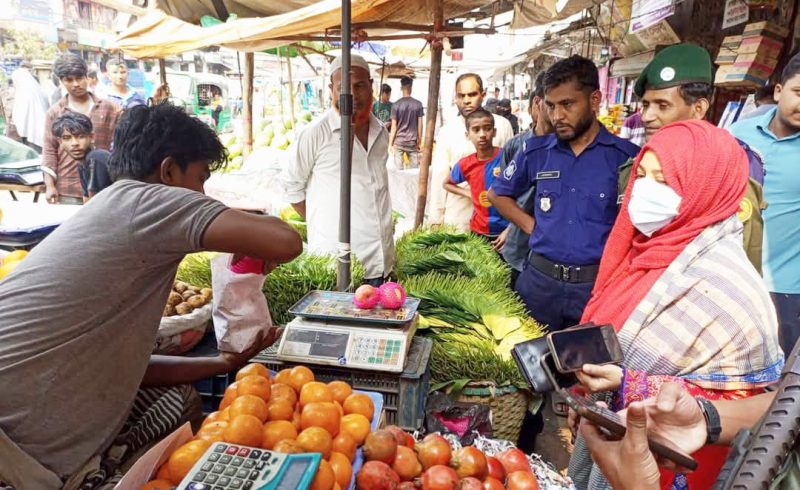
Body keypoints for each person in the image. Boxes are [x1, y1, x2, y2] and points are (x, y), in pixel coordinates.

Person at [0, 103, 303, 488]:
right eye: (200, 178)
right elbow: (286, 241)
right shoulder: (147, 202)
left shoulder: (111, 207)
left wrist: (222, 361)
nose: (202, 193)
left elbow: (128, 371)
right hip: (14, 456)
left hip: (17, 424)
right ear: (168, 170)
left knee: (175, 400)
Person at [566, 120, 783, 489]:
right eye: (643, 176)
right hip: (617, 451)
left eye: (664, 181)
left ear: (707, 189)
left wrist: (631, 386)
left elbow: (747, 404)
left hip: (672, 470)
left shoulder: (731, 290)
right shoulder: (640, 255)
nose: (647, 191)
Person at [489, 55, 640, 330]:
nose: (557, 115)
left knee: (587, 369)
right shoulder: (536, 152)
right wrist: (532, 227)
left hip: (596, 289)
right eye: (551, 105)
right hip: (538, 285)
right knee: (527, 364)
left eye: (567, 104)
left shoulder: (626, 158)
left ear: (594, 100)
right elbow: (498, 194)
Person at [618, 43, 767, 274]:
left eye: (662, 105)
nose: (647, 116)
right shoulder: (638, 168)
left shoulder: (731, 171)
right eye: (646, 104)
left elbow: (741, 261)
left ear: (698, 108)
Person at [282, 54, 395, 286]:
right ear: (332, 89)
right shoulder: (316, 133)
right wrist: (324, 225)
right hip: (336, 266)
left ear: (371, 87)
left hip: (381, 261)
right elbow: (292, 187)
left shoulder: (381, 133)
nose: (352, 95)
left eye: (360, 86)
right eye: (344, 87)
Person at [730, 52, 800, 355]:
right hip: (730, 280)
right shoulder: (736, 136)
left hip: (786, 291)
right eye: (799, 92)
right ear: (778, 91)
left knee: (776, 387)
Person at [429, 73, 514, 231]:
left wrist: (513, 224)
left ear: (483, 95)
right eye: (461, 96)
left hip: (496, 222)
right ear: (455, 98)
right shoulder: (447, 132)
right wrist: (435, 219)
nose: (466, 100)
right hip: (458, 220)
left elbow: (513, 174)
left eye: (472, 94)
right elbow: (439, 179)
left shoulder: (502, 126)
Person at [499, 72, 554, 286]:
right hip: (518, 247)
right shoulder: (517, 146)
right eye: (553, 104)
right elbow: (501, 194)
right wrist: (522, 227)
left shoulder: (572, 149)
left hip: (553, 260)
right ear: (537, 103)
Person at [42, 53, 120, 205]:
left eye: (79, 78)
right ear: (61, 81)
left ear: (87, 77)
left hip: (102, 188)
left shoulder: (109, 109)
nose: (76, 84)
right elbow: (49, 150)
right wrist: (49, 186)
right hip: (68, 189)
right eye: (69, 80)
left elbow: (122, 145)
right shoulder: (55, 112)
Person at [443, 108, 509, 250]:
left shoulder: (507, 158)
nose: (482, 135)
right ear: (468, 135)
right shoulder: (465, 164)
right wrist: (468, 193)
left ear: (494, 132)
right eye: (476, 130)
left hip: (506, 230)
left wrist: (510, 230)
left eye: (487, 129)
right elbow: (447, 184)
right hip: (478, 231)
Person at [52, 112, 113, 201]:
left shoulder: (96, 158)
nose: (75, 143)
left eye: (81, 137)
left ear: (92, 137)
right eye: (67, 138)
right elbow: (87, 201)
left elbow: (95, 205)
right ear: (60, 142)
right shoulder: (82, 164)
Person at [10, 63, 50, 152]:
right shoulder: (39, 92)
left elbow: (20, 120)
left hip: (29, 136)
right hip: (41, 133)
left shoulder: (23, 96)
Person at [388, 76, 424, 170]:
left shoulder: (396, 105)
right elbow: (420, 125)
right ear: (411, 87)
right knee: (414, 173)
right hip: (412, 143)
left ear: (401, 88)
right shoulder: (418, 104)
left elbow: (393, 127)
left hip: (398, 142)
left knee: (398, 173)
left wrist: (390, 144)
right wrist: (420, 142)